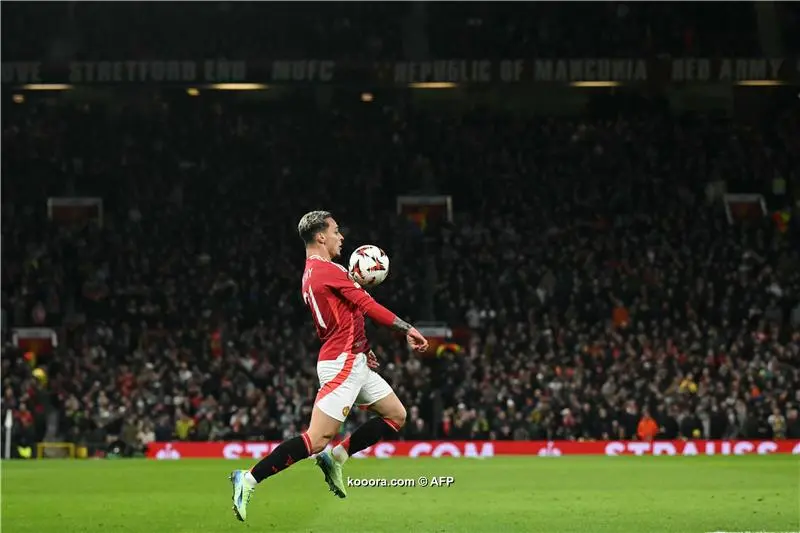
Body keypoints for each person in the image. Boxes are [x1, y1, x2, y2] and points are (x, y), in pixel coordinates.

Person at [229, 210, 429, 522]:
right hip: (343, 364)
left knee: (395, 415)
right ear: (321, 236)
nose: (341, 237)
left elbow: (342, 318)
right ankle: (248, 478)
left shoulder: (312, 273)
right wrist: (407, 328)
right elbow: (367, 305)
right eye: (336, 231)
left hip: (353, 359)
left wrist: (364, 347)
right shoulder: (329, 271)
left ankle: (336, 458)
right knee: (316, 438)